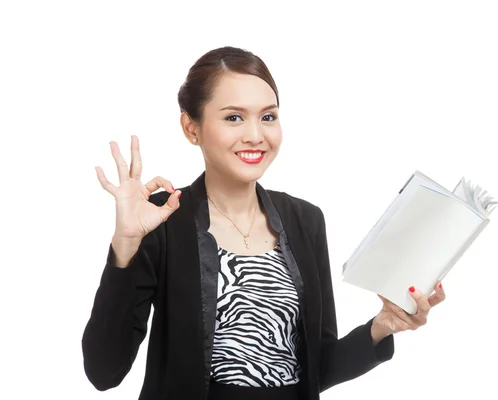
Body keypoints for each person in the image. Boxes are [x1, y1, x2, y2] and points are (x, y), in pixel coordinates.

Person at [81, 46, 446, 400]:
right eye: (233, 117)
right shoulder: (161, 217)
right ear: (191, 128)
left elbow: (318, 370)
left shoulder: (305, 221)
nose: (255, 135)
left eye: (268, 116)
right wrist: (126, 245)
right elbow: (104, 372)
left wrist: (382, 327)